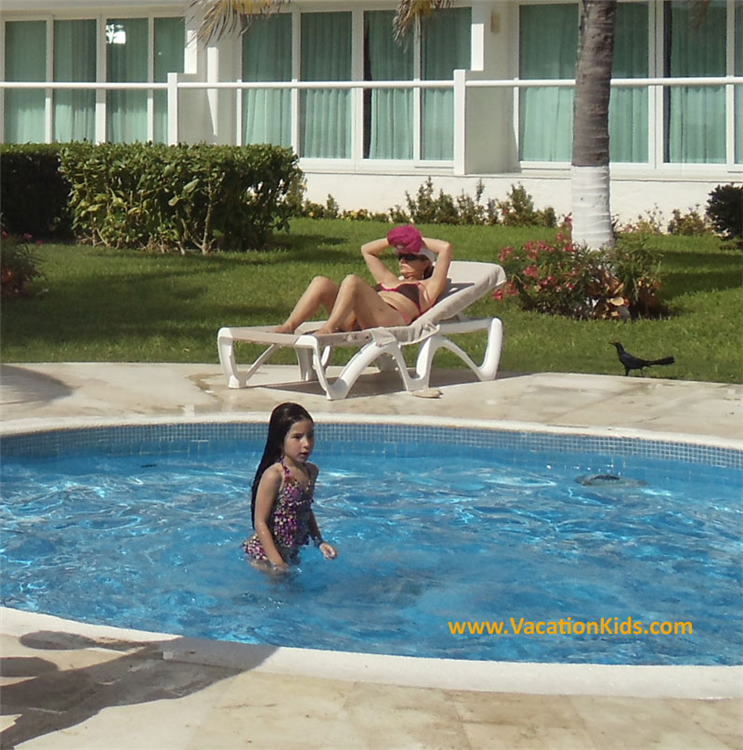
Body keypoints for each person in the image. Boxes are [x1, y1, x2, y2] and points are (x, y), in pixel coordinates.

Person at [275, 225, 453, 335]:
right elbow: (367, 250)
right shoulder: (389, 279)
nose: (403, 261)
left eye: (410, 257)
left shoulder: (428, 287)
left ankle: (329, 328)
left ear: (426, 262)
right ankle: (289, 326)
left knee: (352, 281)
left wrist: (417, 240)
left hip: (390, 320)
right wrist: (393, 240)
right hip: (359, 318)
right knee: (320, 282)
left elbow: (445, 248)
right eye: (400, 256)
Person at [242, 402, 337, 571]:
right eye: (297, 437)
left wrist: (319, 541)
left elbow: (305, 510)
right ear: (280, 442)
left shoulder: (311, 472)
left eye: (310, 436)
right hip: (264, 555)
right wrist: (276, 562)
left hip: (291, 552)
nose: (306, 443)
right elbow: (260, 522)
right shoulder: (275, 475)